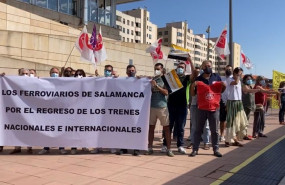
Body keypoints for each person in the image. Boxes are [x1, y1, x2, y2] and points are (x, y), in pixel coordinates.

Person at [189, 60, 226, 157]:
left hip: (214, 108)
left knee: (214, 130)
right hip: (201, 108)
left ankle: (216, 149)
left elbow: (220, 91)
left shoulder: (216, 76)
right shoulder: (199, 79)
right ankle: (195, 149)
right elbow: (193, 94)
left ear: (212, 66)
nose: (207, 67)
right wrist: (192, 86)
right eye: (205, 66)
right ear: (202, 68)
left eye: (209, 66)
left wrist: (224, 86)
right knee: (198, 129)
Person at [163, 56, 195, 154]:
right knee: (169, 126)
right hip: (171, 105)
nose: (180, 68)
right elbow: (162, 77)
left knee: (181, 127)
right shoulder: (171, 77)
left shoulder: (186, 78)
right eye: (179, 67)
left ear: (185, 69)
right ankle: (165, 144)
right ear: (176, 68)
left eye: (182, 67)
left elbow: (195, 74)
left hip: (182, 105)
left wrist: (191, 61)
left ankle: (180, 145)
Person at [145, 63, 174, 157]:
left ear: (162, 70)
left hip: (162, 107)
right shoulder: (152, 79)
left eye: (158, 69)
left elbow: (166, 92)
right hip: (152, 107)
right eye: (155, 69)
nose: (156, 70)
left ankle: (169, 149)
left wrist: (156, 86)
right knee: (151, 128)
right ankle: (149, 147)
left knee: (166, 128)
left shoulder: (166, 80)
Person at [38, 67, 68, 155]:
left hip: (60, 111)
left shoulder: (62, 83)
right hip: (48, 111)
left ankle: (61, 148)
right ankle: (46, 147)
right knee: (48, 130)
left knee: (60, 130)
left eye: (56, 72)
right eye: (53, 72)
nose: (54, 74)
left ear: (59, 74)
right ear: (49, 73)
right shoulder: (44, 82)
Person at [90, 65, 118, 154]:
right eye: (106, 70)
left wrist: (117, 77)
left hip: (111, 109)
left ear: (112, 71)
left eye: (109, 71)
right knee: (99, 129)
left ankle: (112, 146)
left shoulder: (115, 80)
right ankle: (98, 147)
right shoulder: (100, 79)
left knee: (111, 128)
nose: (107, 72)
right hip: (100, 109)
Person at [116, 64, 140, 156]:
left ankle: (136, 148)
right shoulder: (122, 81)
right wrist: (115, 78)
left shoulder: (139, 81)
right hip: (124, 110)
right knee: (124, 129)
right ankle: (123, 148)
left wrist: (144, 79)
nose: (131, 72)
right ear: (126, 72)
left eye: (133, 70)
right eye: (129, 70)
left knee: (135, 130)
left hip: (136, 110)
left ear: (135, 71)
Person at [10, 68, 33, 154]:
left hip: (29, 110)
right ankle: (17, 147)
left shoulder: (32, 82)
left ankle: (29, 147)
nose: (25, 75)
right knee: (17, 128)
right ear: (19, 74)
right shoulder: (14, 82)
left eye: (27, 73)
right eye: (23, 73)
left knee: (29, 129)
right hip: (17, 110)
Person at [187, 67, 210, 150]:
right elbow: (192, 94)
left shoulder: (204, 80)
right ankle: (193, 142)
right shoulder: (193, 81)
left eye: (198, 72)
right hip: (194, 105)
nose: (196, 73)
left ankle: (206, 142)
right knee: (194, 125)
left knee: (206, 125)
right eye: (195, 72)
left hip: (204, 105)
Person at [224, 67, 248, 147]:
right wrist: (237, 76)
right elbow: (235, 82)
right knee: (231, 122)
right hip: (232, 102)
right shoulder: (229, 79)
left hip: (239, 102)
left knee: (241, 121)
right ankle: (229, 140)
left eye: (241, 74)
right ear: (234, 73)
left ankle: (236, 138)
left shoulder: (239, 81)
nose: (240, 75)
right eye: (239, 74)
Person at [242, 74, 260, 140]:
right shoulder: (244, 86)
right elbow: (248, 91)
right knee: (244, 121)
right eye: (248, 79)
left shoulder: (250, 86)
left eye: (250, 79)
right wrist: (257, 90)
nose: (249, 80)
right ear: (244, 80)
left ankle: (244, 134)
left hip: (250, 106)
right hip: (245, 106)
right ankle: (243, 135)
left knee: (246, 121)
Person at [220, 65, 233, 142]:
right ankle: (222, 135)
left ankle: (230, 135)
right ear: (224, 70)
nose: (228, 70)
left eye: (230, 69)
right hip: (222, 101)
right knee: (222, 120)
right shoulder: (221, 78)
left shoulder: (234, 79)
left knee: (231, 120)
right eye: (227, 69)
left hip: (231, 102)